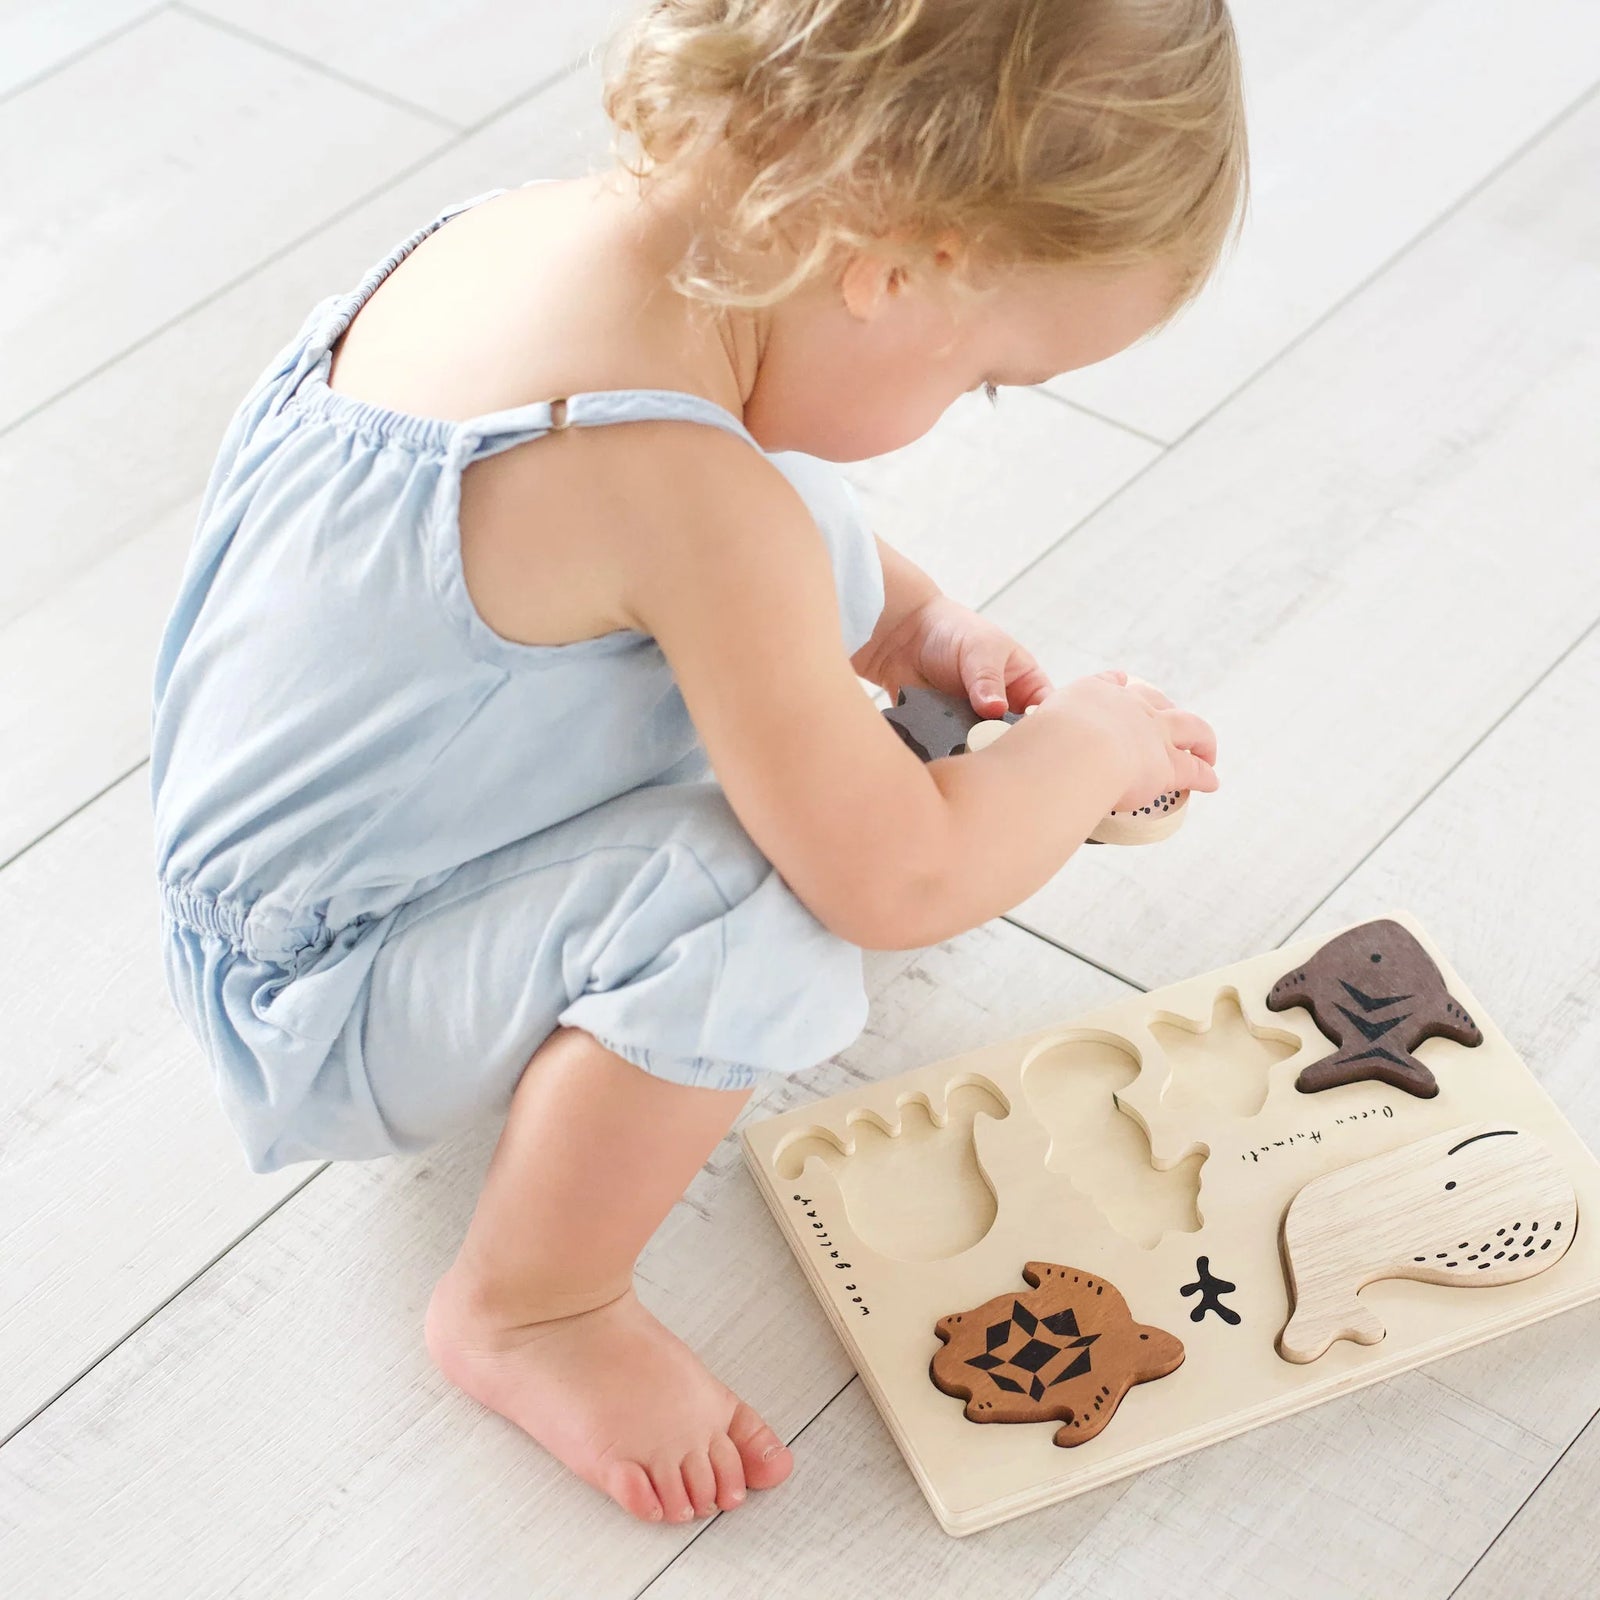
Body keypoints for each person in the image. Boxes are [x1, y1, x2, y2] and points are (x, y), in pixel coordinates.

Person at [150, 0, 1245, 1525]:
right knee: (760, 900)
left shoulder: (556, 243)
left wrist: (911, 622)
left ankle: (826, 701)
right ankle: (532, 1303)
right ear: (893, 264)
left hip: (313, 857)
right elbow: (896, 875)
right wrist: (1082, 750)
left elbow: (717, 516)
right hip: (328, 997)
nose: (966, 410)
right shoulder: (675, 484)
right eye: (989, 374)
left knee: (772, 489)